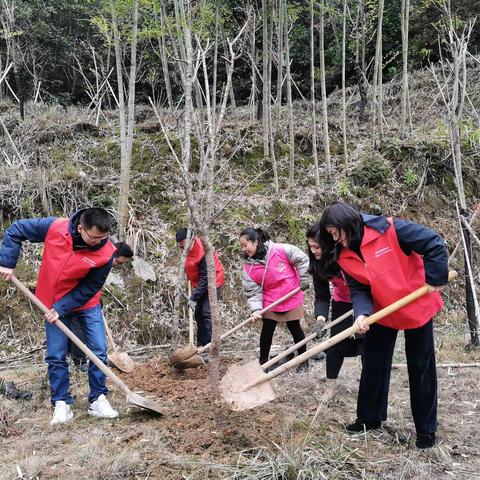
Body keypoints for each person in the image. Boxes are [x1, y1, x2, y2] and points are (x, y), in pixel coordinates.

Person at [318, 201, 448, 449]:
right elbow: (358, 288)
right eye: (330, 236)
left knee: (420, 367)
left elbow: (434, 242)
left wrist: (435, 278)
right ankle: (369, 418)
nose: (335, 239)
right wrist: (362, 314)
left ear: (348, 224)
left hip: (415, 305)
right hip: (382, 311)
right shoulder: (344, 255)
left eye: (336, 233)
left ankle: (426, 430)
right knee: (374, 364)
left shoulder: (390, 229)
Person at [0, 208, 119, 425]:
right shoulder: (55, 227)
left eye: (103, 237)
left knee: (98, 351)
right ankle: (62, 402)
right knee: (56, 355)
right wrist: (8, 262)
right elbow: (16, 229)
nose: (98, 242)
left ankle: (98, 398)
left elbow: (90, 287)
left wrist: (63, 308)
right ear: (81, 228)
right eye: (94, 237)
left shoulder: (106, 252)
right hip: (51, 300)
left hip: (85, 303)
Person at [239, 227, 310, 372]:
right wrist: (256, 310)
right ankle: (263, 363)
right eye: (242, 246)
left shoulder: (280, 250)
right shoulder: (249, 267)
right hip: (271, 299)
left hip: (290, 294)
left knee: (294, 327)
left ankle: (303, 361)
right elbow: (253, 292)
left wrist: (303, 278)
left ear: (255, 242)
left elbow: (302, 259)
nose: (244, 248)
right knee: (267, 329)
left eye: (245, 245)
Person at [306, 222, 364, 391]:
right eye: (311, 247)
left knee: (365, 344)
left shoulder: (347, 257)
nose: (314, 251)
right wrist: (321, 319)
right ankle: (331, 385)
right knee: (336, 345)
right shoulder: (318, 266)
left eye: (317, 247)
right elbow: (322, 296)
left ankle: (367, 385)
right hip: (343, 302)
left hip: (366, 302)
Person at [68, 241, 134, 372]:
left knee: (85, 331)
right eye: (119, 263)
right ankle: (79, 362)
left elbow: (95, 284)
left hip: (91, 299)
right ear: (113, 254)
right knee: (78, 330)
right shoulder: (97, 259)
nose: (118, 266)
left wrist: (98, 299)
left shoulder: (105, 262)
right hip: (77, 300)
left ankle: (84, 358)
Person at [175, 228, 224, 347]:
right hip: (198, 283)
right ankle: (201, 344)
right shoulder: (187, 249)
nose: (184, 251)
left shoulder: (203, 252)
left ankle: (210, 346)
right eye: (181, 248)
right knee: (198, 314)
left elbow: (205, 278)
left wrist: (194, 297)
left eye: (185, 247)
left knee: (207, 313)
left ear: (192, 240)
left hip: (213, 281)